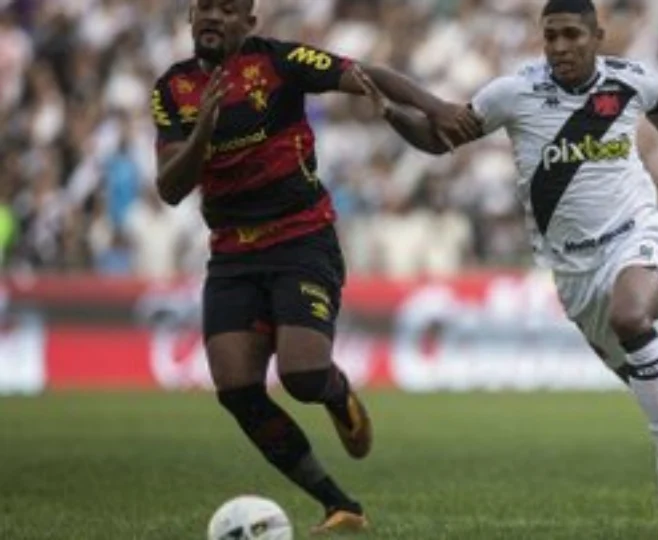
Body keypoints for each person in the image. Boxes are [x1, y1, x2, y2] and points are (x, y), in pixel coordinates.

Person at [355, 0, 658, 511]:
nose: (559, 47)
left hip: (635, 233)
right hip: (573, 270)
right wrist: (389, 112)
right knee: (644, 376)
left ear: (597, 36)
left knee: (632, 316)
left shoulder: (629, 81)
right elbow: (438, 138)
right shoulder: (514, 93)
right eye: (550, 37)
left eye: (570, 36)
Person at [151, 0, 479, 533]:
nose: (213, 16)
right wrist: (202, 131)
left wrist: (437, 107)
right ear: (190, 18)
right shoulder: (173, 89)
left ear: (249, 23)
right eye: (203, 7)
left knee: (302, 375)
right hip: (232, 251)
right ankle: (338, 504)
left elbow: (367, 74)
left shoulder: (280, 63)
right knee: (236, 390)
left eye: (228, 9)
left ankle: (336, 393)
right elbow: (169, 188)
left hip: (301, 238)